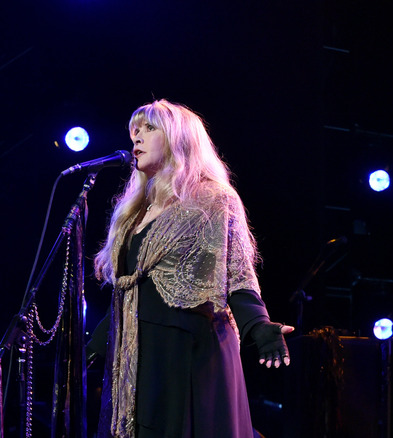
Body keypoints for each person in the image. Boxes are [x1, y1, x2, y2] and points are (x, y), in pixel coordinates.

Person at [90, 99, 293, 438]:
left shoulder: (212, 198)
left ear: (178, 138)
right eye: (134, 130)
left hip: (189, 351)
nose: (136, 137)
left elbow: (237, 271)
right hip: (140, 355)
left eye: (149, 128)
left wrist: (259, 325)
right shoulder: (134, 212)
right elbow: (129, 289)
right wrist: (94, 348)